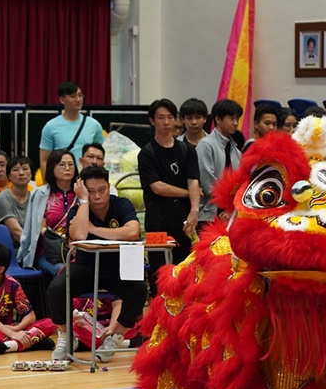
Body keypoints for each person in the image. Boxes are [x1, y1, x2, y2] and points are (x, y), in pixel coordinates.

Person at [47, 166, 146, 362]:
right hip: (86, 267)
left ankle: (115, 338)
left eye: (101, 190)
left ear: (109, 187)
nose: (97, 196)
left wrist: (94, 229)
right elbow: (79, 234)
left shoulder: (121, 205)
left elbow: (132, 232)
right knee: (56, 289)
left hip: (118, 267)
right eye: (91, 192)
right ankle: (67, 337)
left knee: (139, 290)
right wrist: (83, 201)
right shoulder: (78, 210)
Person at [138, 98, 201, 273]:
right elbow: (158, 187)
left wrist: (194, 210)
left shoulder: (187, 150)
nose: (166, 122)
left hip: (183, 217)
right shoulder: (146, 153)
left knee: (186, 266)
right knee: (160, 267)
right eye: (161, 117)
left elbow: (193, 180)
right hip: (157, 219)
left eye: (170, 117)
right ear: (152, 120)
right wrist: (189, 193)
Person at [0, 242, 56, 356]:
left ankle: (6, 346)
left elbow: (30, 316)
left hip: (10, 327)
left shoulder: (13, 284)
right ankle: (31, 342)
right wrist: (12, 334)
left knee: (50, 323)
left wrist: (16, 329)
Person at [19, 149, 78, 278]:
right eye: (62, 165)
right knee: (64, 271)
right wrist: (60, 238)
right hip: (48, 252)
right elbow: (39, 227)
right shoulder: (41, 194)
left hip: (77, 249)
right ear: (52, 168)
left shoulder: (81, 193)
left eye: (71, 164)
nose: (67, 168)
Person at [38, 81, 105, 175]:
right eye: (73, 96)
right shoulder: (50, 126)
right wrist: (47, 182)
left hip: (88, 177)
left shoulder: (94, 125)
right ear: (62, 100)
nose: (78, 99)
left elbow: (101, 154)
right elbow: (44, 160)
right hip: (61, 177)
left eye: (80, 95)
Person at [194, 98, 241, 230]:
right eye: (231, 118)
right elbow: (207, 182)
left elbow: (239, 182)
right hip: (208, 214)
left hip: (230, 214)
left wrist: (231, 209)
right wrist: (225, 205)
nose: (235, 123)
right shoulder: (206, 145)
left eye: (237, 119)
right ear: (218, 119)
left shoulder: (236, 151)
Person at [0, 156, 33, 246]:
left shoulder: (35, 197)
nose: (21, 173)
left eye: (25, 169)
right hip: (8, 248)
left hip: (31, 246)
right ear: (9, 176)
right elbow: (16, 232)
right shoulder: (3, 198)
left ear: (31, 174)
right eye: (16, 170)